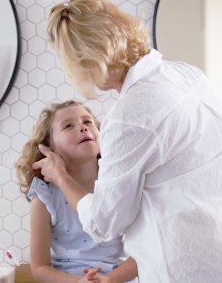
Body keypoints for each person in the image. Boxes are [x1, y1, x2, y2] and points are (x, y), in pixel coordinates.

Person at [36, 0, 222, 282]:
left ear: (89, 59)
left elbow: (103, 223)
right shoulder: (190, 76)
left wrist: (61, 177)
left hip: (192, 271)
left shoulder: (129, 116)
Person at [15, 100, 138, 283]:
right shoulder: (45, 198)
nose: (82, 127)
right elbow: (40, 268)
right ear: (51, 148)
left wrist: (109, 279)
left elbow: (143, 253)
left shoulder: (120, 187)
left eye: (88, 122)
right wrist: (78, 281)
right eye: (68, 126)